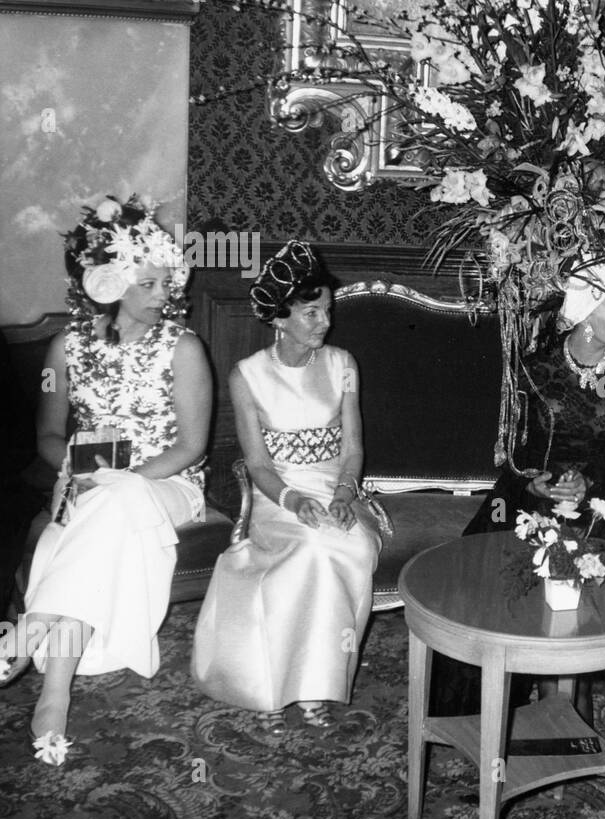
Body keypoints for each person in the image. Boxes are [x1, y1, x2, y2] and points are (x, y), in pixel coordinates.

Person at [0, 195, 211, 766]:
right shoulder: (63, 351)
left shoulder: (184, 349)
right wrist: (75, 473)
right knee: (100, 522)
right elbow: (46, 437)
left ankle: (33, 628)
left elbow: (191, 446)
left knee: (115, 504)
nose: (167, 293)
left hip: (169, 486)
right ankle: (54, 696)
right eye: (150, 283)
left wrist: (120, 479)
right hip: (92, 493)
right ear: (111, 284)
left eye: (168, 281)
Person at [436, 255, 605, 715]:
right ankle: (497, 707)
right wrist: (533, 485)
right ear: (585, 319)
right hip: (528, 495)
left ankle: (562, 712)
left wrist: (590, 486)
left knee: (579, 576)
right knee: (490, 575)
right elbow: (512, 451)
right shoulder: (531, 369)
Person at [191, 242, 381, 732]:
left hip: (336, 490)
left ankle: (316, 684)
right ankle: (273, 685)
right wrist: (294, 501)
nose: (325, 322)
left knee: (349, 546)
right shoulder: (247, 375)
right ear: (279, 318)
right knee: (308, 551)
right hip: (281, 497)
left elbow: (355, 448)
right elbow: (256, 463)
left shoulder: (344, 364)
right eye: (311, 312)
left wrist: (343, 494)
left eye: (328, 311)